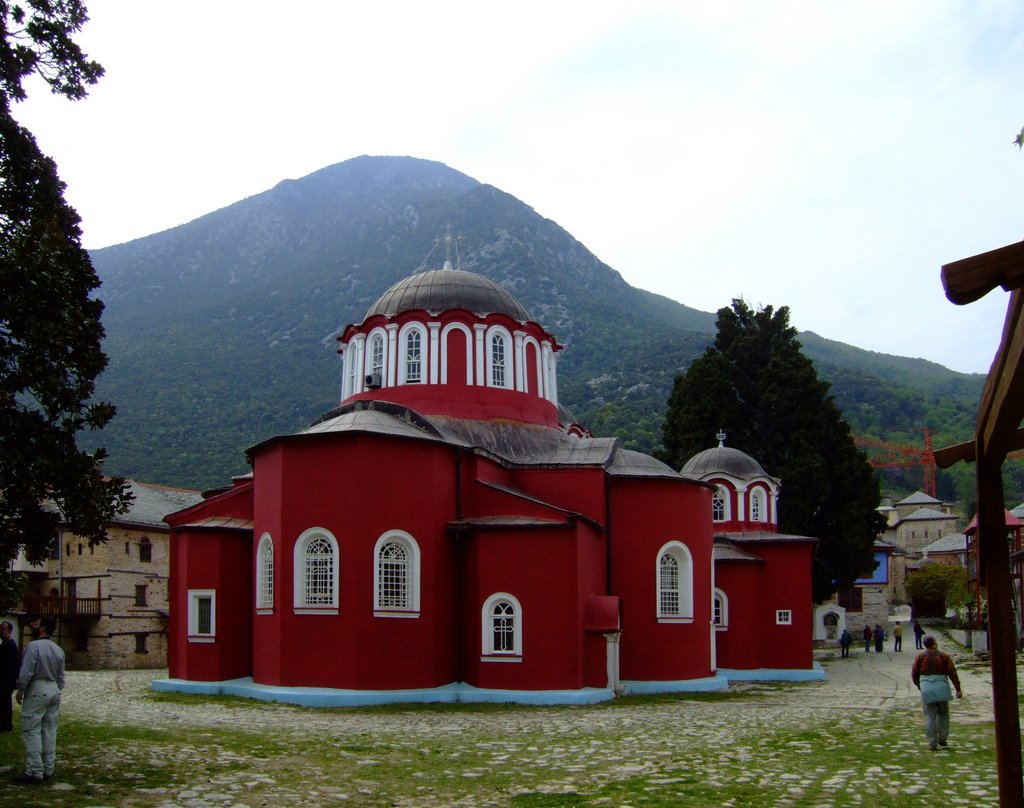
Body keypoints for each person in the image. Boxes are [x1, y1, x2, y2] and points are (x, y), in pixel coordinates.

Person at [13, 615, 65, 785]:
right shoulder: (58, 649)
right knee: (49, 730)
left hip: (37, 688)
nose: (34, 625)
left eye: (37, 623)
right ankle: (48, 767)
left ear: (42, 628)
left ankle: (35, 770)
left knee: (32, 729)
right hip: (53, 689)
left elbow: (27, 671)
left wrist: (21, 688)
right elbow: (61, 678)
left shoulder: (33, 646)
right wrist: (56, 690)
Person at [911, 635, 963, 750]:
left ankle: (932, 741)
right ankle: (943, 738)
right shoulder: (944, 657)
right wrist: (958, 689)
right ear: (934, 644)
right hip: (942, 687)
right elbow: (952, 673)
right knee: (943, 714)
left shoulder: (920, 657)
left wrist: (919, 685)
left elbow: (914, 674)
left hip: (927, 688)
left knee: (929, 716)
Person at [0, 622, 19, 732]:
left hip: (6, 681)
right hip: (2, 680)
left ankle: (6, 725)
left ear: (9, 631)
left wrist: (11, 682)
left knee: (5, 703)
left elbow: (13, 666)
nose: (1, 631)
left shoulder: (11, 646)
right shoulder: (4, 644)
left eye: (3, 629)